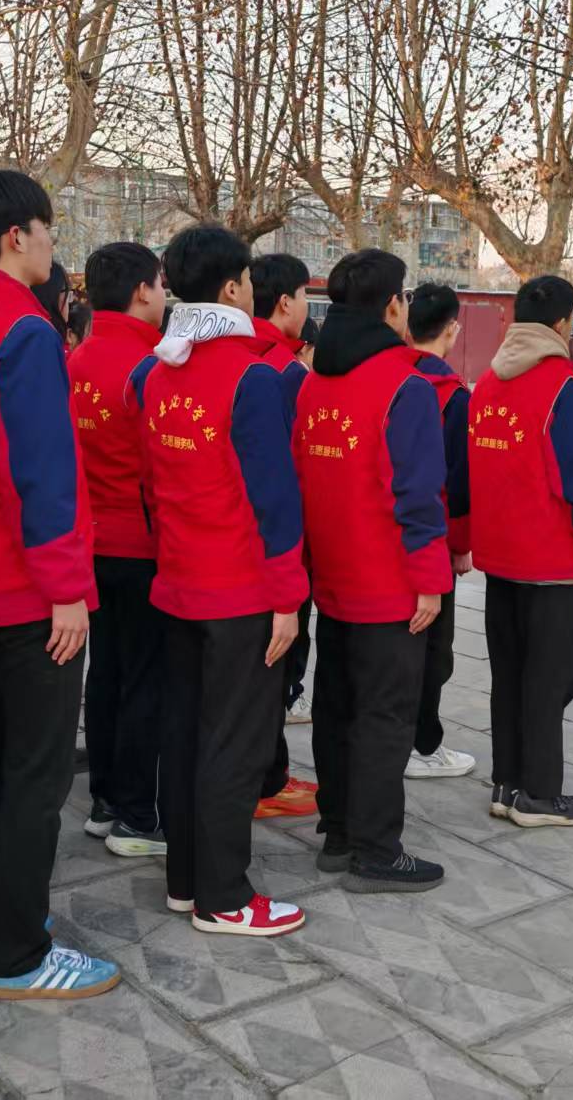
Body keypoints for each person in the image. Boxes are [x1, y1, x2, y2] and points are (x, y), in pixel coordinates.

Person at [0, 168, 119, 1000]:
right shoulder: (25, 333)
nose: (51, 244)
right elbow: (41, 473)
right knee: (35, 779)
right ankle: (21, 953)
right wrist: (66, 587)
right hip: (28, 594)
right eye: (47, 229)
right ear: (16, 236)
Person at [133, 224, 309, 937]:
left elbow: (152, 486)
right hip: (239, 593)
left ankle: (186, 879)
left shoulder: (154, 374)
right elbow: (275, 500)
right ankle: (225, 895)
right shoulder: (253, 378)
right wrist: (288, 597)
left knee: (183, 736)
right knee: (234, 743)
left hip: (178, 584)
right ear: (233, 288)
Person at [296, 250, 452, 892]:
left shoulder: (312, 383)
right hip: (387, 584)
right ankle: (377, 850)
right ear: (393, 306)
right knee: (385, 717)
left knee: (336, 708)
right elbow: (419, 496)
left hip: (332, 577)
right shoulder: (406, 387)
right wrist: (431, 581)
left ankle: (338, 832)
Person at [469, 275, 573, 830]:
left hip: (499, 556)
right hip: (547, 559)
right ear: (562, 322)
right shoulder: (562, 387)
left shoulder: (486, 384)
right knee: (552, 679)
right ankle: (540, 794)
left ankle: (506, 783)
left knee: (509, 673)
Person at [68, 241, 168, 857]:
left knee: (104, 672)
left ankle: (105, 802)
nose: (163, 295)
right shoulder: (150, 367)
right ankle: (136, 814)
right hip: (140, 544)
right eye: (159, 284)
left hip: (88, 545)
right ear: (140, 291)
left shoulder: (72, 360)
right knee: (144, 680)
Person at [248, 252, 319, 819]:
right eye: (304, 297)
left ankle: (264, 772)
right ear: (284, 302)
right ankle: (265, 779)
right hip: (279, 547)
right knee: (277, 664)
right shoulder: (285, 373)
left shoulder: (229, 359)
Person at [402, 283, 476, 780]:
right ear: (452, 329)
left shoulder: (391, 379)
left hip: (387, 537)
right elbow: (458, 480)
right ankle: (423, 746)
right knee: (433, 650)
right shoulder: (453, 396)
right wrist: (461, 546)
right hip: (432, 542)